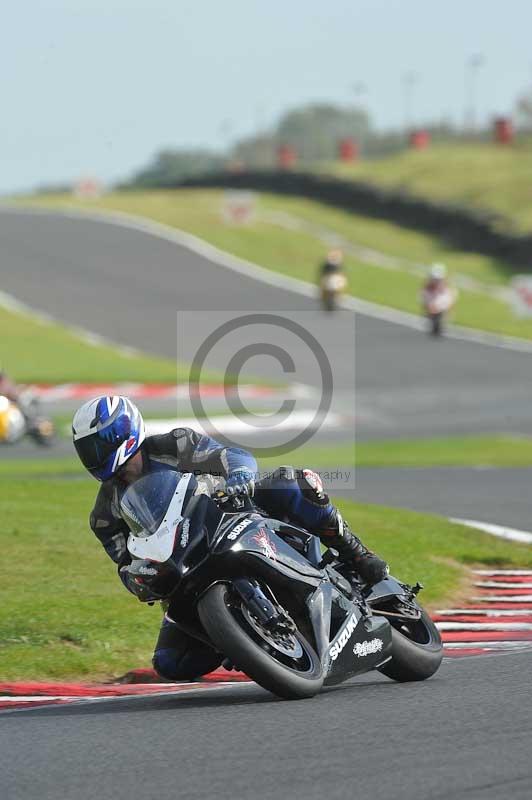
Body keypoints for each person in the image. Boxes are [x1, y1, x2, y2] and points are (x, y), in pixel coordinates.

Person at [72, 395, 388, 682]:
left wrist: (239, 476)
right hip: (186, 568)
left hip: (233, 514)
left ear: (123, 432)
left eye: (100, 445)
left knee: (293, 484)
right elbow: (127, 563)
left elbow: (231, 456)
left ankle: (356, 553)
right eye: (88, 449)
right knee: (170, 663)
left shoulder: (174, 444)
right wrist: (138, 579)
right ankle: (239, 637)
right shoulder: (104, 517)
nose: (95, 456)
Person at [421, 263, 456, 336]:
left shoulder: (446, 290)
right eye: (434, 279)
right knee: (429, 307)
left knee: (444, 310)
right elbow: (424, 299)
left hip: (442, 302)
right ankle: (432, 318)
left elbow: (450, 300)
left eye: (438, 280)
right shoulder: (427, 289)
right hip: (431, 300)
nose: (436, 282)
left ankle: (443, 321)